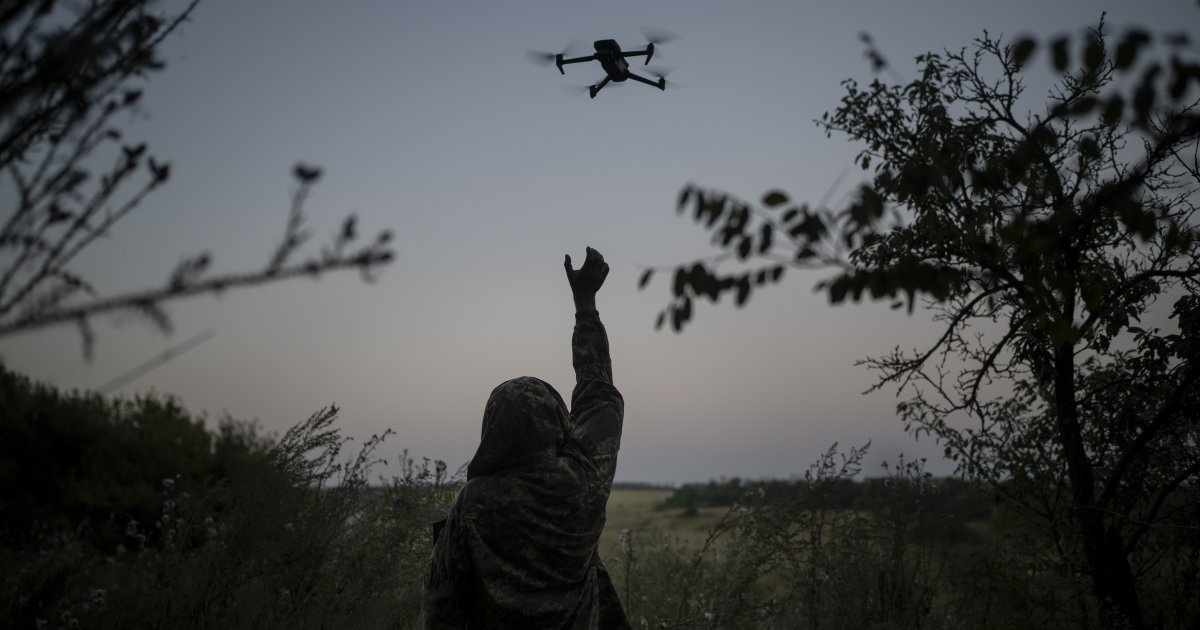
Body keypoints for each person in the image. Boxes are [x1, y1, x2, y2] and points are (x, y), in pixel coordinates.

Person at [423, 247, 631, 629]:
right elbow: (598, 393)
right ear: (556, 424)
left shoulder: (474, 504)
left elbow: (443, 606)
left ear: (492, 429)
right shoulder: (583, 483)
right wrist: (585, 303)